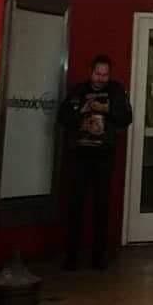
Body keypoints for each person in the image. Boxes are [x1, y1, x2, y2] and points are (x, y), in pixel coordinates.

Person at [57, 53, 133, 270]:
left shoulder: (116, 91)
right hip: (79, 155)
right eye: (98, 73)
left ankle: (98, 257)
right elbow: (62, 118)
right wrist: (81, 110)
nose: (101, 78)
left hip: (103, 156)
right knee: (75, 206)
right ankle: (71, 256)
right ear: (91, 72)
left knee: (101, 206)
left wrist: (106, 110)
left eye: (105, 74)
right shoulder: (78, 91)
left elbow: (126, 117)